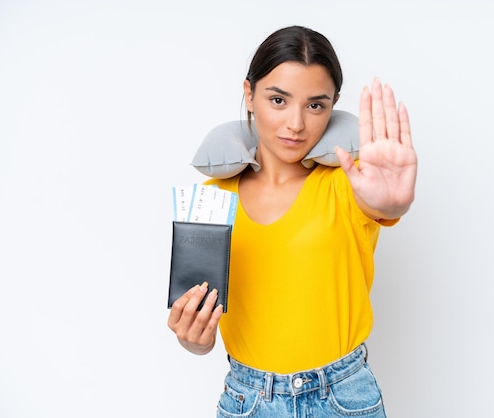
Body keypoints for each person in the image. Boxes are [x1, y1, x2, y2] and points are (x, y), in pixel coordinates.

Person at [167, 25, 417, 417]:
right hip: (247, 400)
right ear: (249, 94)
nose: (296, 124)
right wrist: (195, 340)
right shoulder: (212, 200)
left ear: (333, 106)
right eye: (278, 99)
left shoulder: (348, 186)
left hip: (341, 398)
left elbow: (382, 208)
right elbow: (197, 310)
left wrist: (393, 205)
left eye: (315, 105)